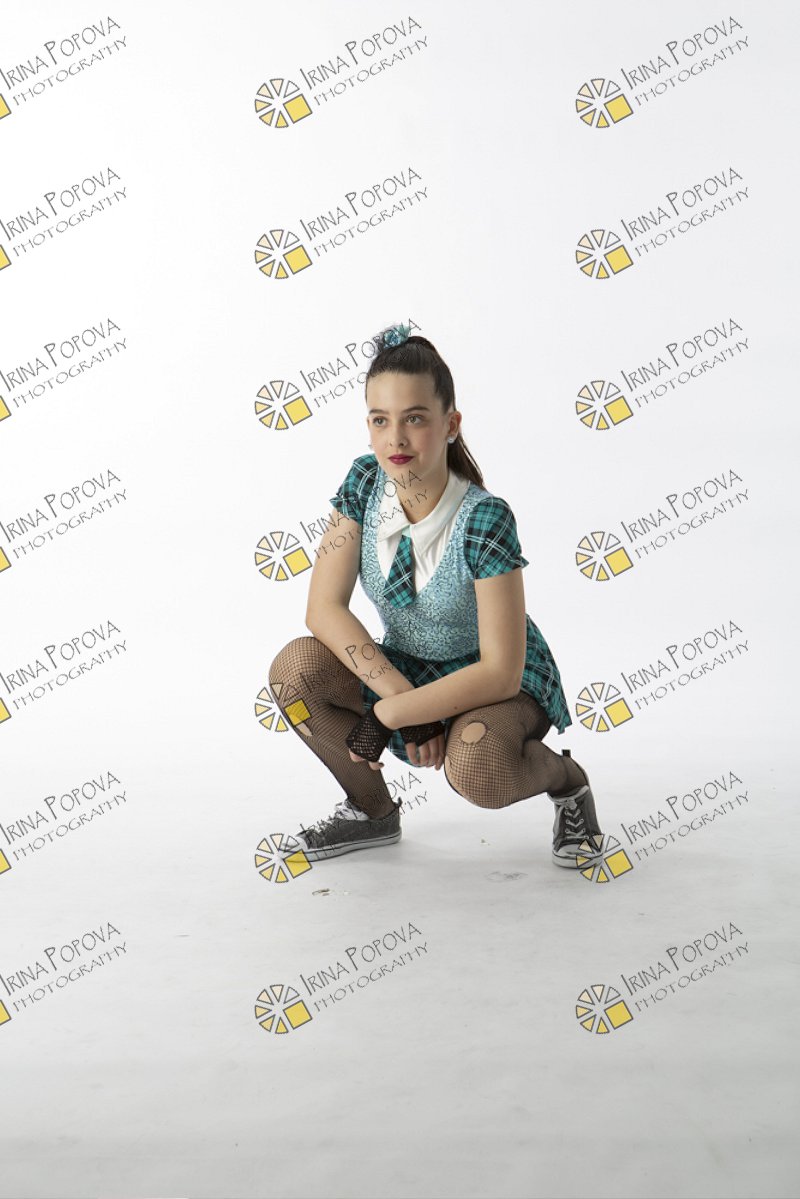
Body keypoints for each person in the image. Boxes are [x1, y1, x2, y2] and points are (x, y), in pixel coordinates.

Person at [267, 323, 603, 867]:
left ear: (451, 424)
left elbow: (501, 671)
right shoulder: (363, 483)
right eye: (380, 420)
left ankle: (569, 782)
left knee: (477, 768)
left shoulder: (485, 519)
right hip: (407, 667)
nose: (395, 440)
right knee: (295, 672)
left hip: (494, 682)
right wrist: (403, 700)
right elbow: (323, 608)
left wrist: (389, 714)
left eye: (416, 418)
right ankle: (372, 812)